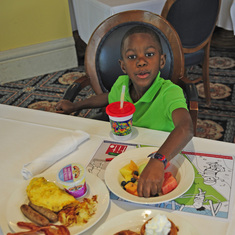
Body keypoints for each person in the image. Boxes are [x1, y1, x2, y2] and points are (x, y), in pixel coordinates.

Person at [56, 25, 193, 198]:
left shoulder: (170, 92)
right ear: (123, 66)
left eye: (149, 54)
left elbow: (186, 127)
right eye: (132, 56)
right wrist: (76, 106)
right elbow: (107, 97)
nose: (141, 61)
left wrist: (159, 160)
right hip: (125, 153)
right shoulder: (122, 84)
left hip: (161, 153)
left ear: (162, 61)